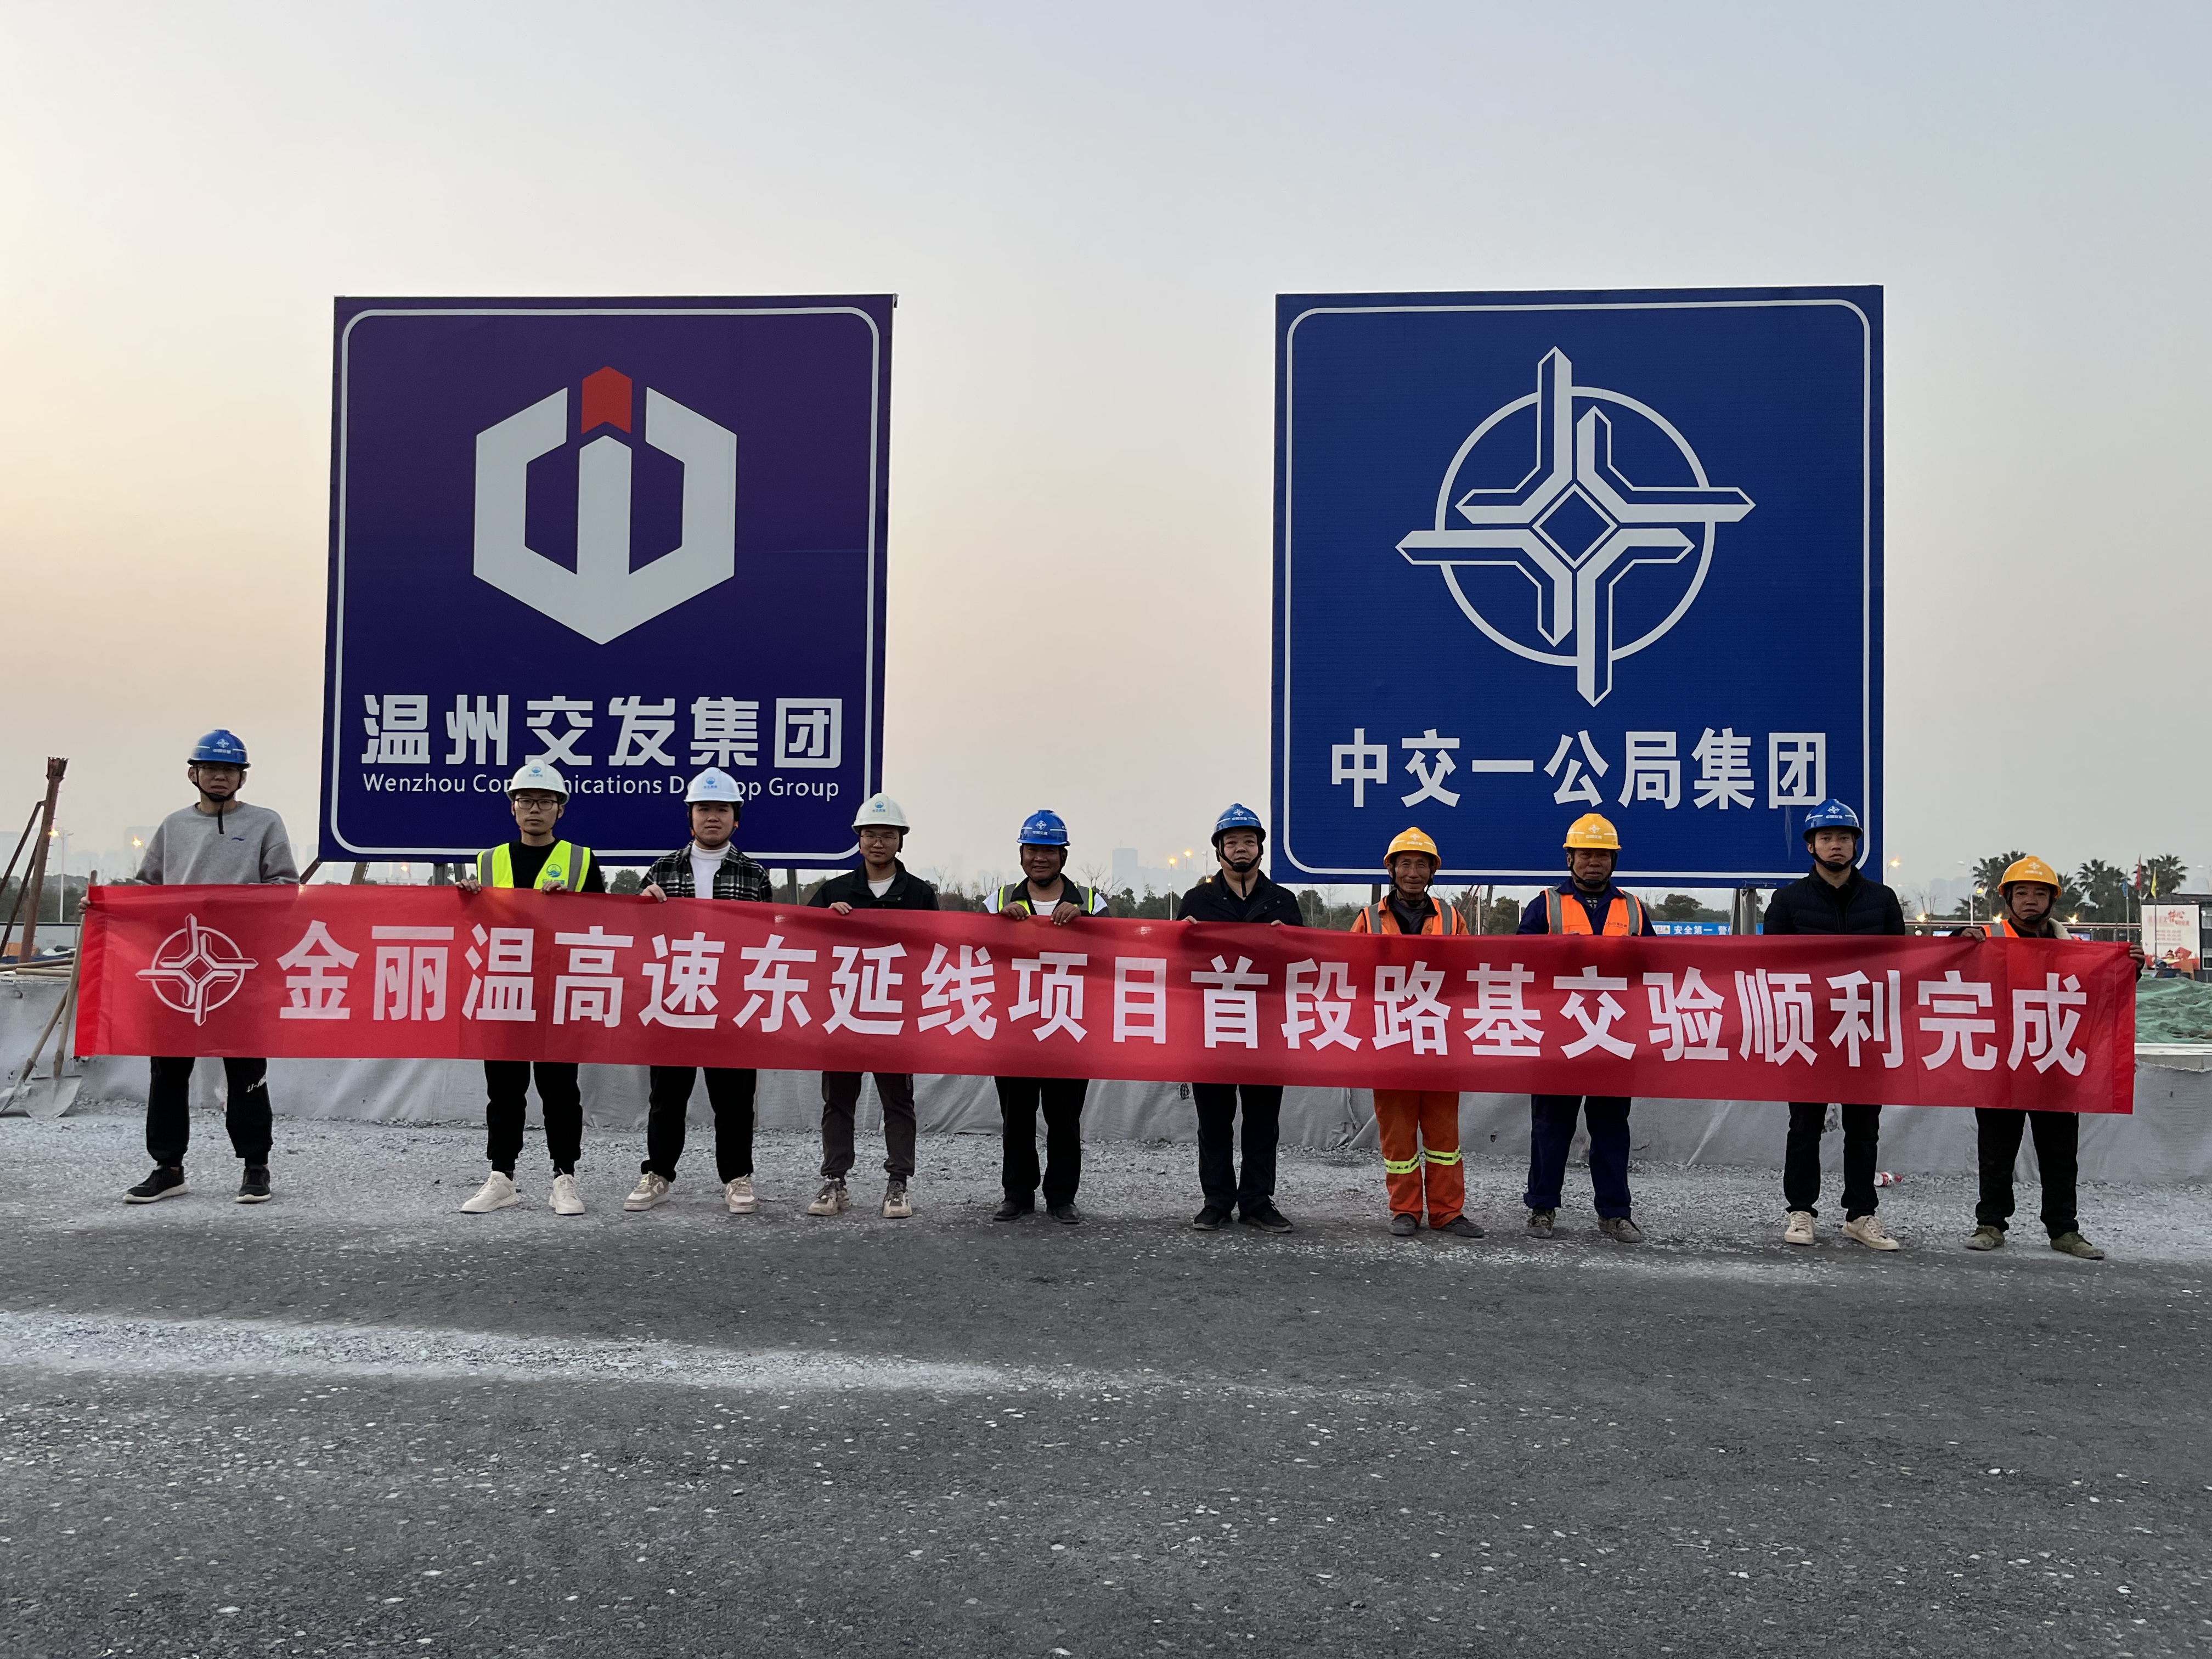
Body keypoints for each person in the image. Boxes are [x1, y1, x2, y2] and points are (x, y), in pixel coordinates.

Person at [123, 729, 298, 1205]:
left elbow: (285, 888)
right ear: (193, 774)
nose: (220, 776)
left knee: (246, 1069)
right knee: (168, 1070)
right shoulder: (174, 827)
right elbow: (147, 890)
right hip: (178, 968)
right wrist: (104, 908)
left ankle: (256, 1165)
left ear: (242, 777)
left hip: (240, 967)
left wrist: (229, 904)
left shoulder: (265, 823)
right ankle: (168, 1167)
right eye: (211, 768)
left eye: (229, 770)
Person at [1966, 855, 2141, 1260]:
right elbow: (1948, 971)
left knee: (2060, 1155)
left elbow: (2102, 990)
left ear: (2052, 901)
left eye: (2039, 894)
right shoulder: (1987, 939)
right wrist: (1960, 938)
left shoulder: (2074, 949)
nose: (2031, 901)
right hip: (2003, 1063)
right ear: (2008, 899)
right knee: (1995, 1153)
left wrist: (2130, 968)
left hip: (2055, 1061)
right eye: (2022, 893)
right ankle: (1990, 1223)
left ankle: (2064, 1230)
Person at [456, 761, 604, 1217]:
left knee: (560, 1090)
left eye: (544, 801)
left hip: (558, 992)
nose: (534, 809)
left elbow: (603, 926)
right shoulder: (487, 862)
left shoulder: (581, 860)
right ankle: (502, 1177)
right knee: (504, 1090)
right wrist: (466, 898)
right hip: (504, 990)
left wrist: (573, 904)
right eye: (525, 800)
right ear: (513, 808)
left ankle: (564, 1178)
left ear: (561, 809)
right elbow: (472, 927)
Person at [629, 767, 775, 1216]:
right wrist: (642, 906)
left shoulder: (753, 874)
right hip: (675, 998)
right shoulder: (663, 870)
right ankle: (658, 1173)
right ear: (690, 817)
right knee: (667, 1096)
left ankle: (737, 1176)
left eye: (722, 809)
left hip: (731, 1002)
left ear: (736, 818)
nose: (713, 817)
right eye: (704, 809)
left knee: (734, 1098)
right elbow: (636, 936)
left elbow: (768, 941)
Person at [1763, 798, 1906, 1250]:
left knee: (1864, 1128)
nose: (1836, 845)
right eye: (1826, 838)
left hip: (1864, 1028)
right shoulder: (1788, 901)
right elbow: (1771, 966)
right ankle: (1801, 1211)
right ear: (1812, 846)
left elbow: (1903, 963)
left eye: (1845, 837)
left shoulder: (1882, 900)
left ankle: (1861, 1214)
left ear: (1856, 845)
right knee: (1804, 1126)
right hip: (1809, 1030)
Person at [1516, 812, 1655, 1243]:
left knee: (1611, 1128)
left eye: (1602, 855)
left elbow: (1654, 966)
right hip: (1559, 1035)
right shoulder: (1545, 905)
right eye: (1585, 854)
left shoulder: (1632, 908)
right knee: (1550, 1127)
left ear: (1614, 860)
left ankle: (1615, 1213)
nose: (1593, 862)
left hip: (1614, 1036)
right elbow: (1520, 963)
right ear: (1570, 858)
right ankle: (1542, 1208)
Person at [806, 792, 938, 1219]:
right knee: (838, 1101)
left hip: (895, 1015)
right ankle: (835, 1181)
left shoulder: (919, 894)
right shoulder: (834, 891)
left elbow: (933, 952)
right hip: (844, 1010)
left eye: (887, 835)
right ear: (858, 839)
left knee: (897, 1102)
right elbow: (801, 941)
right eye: (869, 835)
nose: (878, 843)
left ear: (901, 840)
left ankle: (898, 1183)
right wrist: (825, 919)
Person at [1177, 803, 1304, 1234]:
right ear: (1219, 851)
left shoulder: (1282, 901)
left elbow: (1303, 964)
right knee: (1214, 1121)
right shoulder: (1197, 902)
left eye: (1249, 841)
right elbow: (1178, 966)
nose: (1241, 849)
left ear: (1260, 849)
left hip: (1266, 1027)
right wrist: (1182, 938)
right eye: (1231, 842)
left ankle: (1256, 1201)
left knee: (1262, 1122)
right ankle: (1216, 1200)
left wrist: (1287, 941)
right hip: (1212, 1026)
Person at [1351, 828, 1482, 1240]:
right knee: (1398, 1133)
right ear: (1391, 870)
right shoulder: (1369, 919)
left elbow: (1469, 972)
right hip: (1389, 1038)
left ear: (1432, 871)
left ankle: (1447, 1212)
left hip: (1440, 1037)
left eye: (1421, 865)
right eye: (1405, 864)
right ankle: (1405, 1210)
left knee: (1444, 1134)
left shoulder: (1452, 918)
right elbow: (1352, 973)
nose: (1413, 872)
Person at [986, 810, 1107, 1223]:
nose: (1040, 858)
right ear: (1021, 854)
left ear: (1063, 856)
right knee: (1016, 1119)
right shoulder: (998, 900)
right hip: (1015, 1027)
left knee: (1064, 1119)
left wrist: (1087, 923)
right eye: (1032, 850)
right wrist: (998, 926)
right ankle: (1017, 1195)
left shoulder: (1091, 902)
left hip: (1069, 1025)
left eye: (1049, 851)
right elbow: (976, 955)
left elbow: (1113, 955)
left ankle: (1061, 1197)